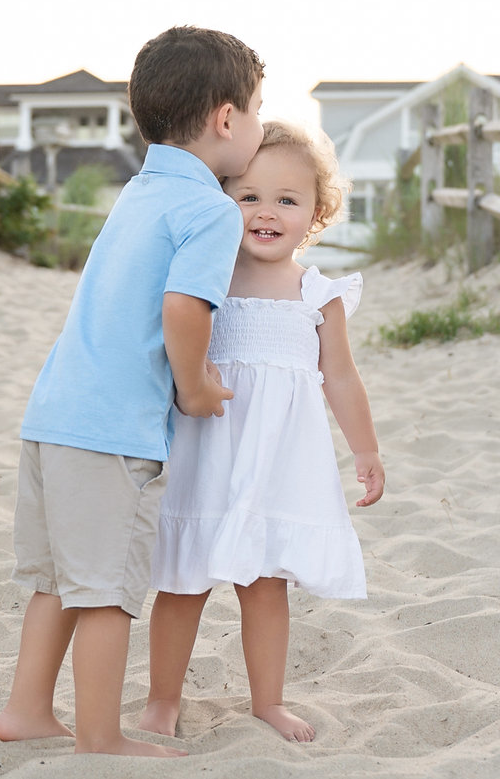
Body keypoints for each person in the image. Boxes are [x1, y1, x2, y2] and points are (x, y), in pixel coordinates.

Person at [0, 26, 264, 757]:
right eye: (259, 108)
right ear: (226, 118)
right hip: (112, 431)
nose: (261, 126)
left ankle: (26, 708)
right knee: (107, 590)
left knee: (57, 579)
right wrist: (198, 386)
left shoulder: (139, 192)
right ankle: (101, 735)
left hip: (52, 415)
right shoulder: (210, 209)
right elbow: (182, 309)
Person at [139, 120, 385, 743]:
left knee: (266, 583)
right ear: (221, 199)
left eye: (287, 200)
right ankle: (162, 699)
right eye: (248, 196)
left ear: (317, 212)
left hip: (278, 460)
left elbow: (342, 379)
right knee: (182, 580)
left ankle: (268, 700)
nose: (266, 212)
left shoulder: (318, 294)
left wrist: (366, 451)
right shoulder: (205, 278)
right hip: (208, 453)